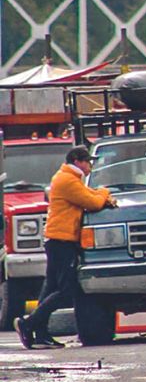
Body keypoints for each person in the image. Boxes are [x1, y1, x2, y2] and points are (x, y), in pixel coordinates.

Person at [14, 146, 116, 350]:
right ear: (77, 161)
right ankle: (28, 323)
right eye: (88, 161)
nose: (90, 165)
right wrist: (105, 193)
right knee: (66, 290)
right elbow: (93, 201)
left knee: (51, 287)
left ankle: (40, 334)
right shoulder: (67, 180)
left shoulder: (69, 178)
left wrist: (101, 196)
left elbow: (90, 194)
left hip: (56, 240)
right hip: (62, 241)